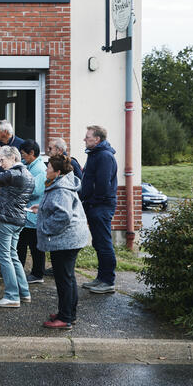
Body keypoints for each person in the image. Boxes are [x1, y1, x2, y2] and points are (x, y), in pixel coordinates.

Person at [32, 152, 90, 330]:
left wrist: (44, 227)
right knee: (68, 277)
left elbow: (63, 216)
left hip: (66, 240)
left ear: (57, 172)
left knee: (64, 279)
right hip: (71, 239)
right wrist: (40, 209)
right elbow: (58, 208)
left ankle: (65, 318)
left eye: (48, 167)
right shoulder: (61, 183)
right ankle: (68, 314)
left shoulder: (60, 189)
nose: (46, 169)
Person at [0, 144, 34, 308]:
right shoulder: (27, 174)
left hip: (7, 220)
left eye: (2, 159)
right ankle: (24, 292)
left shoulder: (14, 174)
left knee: (4, 257)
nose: (0, 163)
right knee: (13, 255)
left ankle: (12, 295)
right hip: (19, 219)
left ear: (14, 157)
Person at [79, 125, 118, 294]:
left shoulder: (104, 156)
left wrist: (92, 201)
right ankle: (101, 278)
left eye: (88, 137)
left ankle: (108, 281)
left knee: (104, 243)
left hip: (100, 206)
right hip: (94, 205)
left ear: (97, 139)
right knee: (98, 242)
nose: (84, 139)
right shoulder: (95, 154)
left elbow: (102, 185)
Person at [17, 140, 47, 284]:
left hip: (34, 214)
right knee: (22, 243)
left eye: (24, 154)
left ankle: (37, 274)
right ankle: (19, 271)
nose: (22, 158)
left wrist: (19, 187)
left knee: (35, 246)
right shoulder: (29, 165)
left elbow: (37, 190)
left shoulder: (39, 168)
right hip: (27, 213)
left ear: (32, 153)